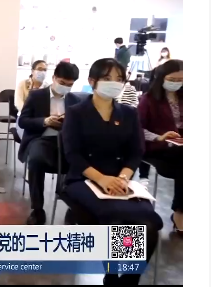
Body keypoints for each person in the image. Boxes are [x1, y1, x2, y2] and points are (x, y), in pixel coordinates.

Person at [62, 58, 163, 285]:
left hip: (121, 180)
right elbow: (73, 155)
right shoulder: (76, 112)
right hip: (84, 178)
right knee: (115, 217)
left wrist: (123, 177)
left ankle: (129, 279)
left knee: (148, 223)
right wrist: (102, 179)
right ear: (92, 81)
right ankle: (112, 273)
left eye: (119, 79)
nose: (114, 83)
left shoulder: (129, 113)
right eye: (107, 78)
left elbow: (136, 151)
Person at [18, 62, 80, 224]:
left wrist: (66, 123)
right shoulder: (36, 96)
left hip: (65, 140)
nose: (65, 87)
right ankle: (37, 209)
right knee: (36, 160)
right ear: (54, 78)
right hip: (41, 138)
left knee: (80, 160)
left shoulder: (74, 100)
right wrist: (45, 121)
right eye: (62, 83)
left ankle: (74, 204)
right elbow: (23, 121)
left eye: (70, 85)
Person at [137, 59, 183, 232]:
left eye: (180, 80)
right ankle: (180, 211)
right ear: (162, 77)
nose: (176, 83)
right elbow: (138, 129)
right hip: (156, 148)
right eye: (172, 79)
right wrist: (159, 137)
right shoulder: (148, 100)